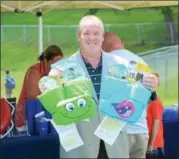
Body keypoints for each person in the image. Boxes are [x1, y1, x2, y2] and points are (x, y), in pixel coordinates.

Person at [58, 15, 158, 159]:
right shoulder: (63, 69)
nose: (91, 38)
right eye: (86, 33)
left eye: (96, 33)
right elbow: (55, 108)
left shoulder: (120, 65)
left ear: (102, 37)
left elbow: (140, 81)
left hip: (114, 147)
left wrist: (151, 85)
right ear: (79, 36)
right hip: (80, 150)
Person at [102, 32, 159, 158]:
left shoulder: (105, 62)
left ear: (103, 47)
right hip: (140, 130)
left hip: (114, 131)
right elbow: (153, 97)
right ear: (122, 43)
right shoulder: (142, 63)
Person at [15, 45, 63, 130]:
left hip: (46, 119)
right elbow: (34, 99)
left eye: (60, 64)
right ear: (46, 61)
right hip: (26, 122)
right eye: (55, 64)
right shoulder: (34, 71)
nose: (58, 67)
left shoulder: (57, 74)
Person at [146, 73, 164, 158]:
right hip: (150, 142)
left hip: (153, 145)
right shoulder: (148, 99)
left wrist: (151, 144)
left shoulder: (155, 102)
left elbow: (156, 122)